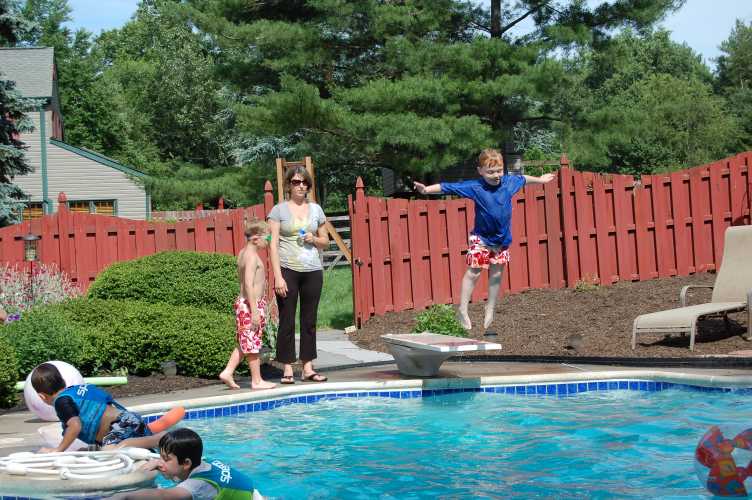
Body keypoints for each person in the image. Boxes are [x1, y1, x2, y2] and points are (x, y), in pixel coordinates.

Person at [413, 148, 556, 331]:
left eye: (499, 171)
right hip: (481, 239)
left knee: (496, 274)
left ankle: (490, 307)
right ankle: (462, 309)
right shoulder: (476, 187)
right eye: (490, 172)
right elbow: (448, 187)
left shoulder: (509, 182)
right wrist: (426, 190)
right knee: (474, 271)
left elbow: (524, 179)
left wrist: (540, 180)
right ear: (480, 171)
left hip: (502, 240)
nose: (496, 175)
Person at [268, 166, 329, 384]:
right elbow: (272, 245)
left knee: (309, 320)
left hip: (312, 271)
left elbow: (325, 241)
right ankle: (287, 367)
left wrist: (314, 239)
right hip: (288, 270)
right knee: (287, 320)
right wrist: (278, 277)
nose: (300, 186)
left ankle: (308, 368)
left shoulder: (316, 210)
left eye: (304, 182)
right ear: (288, 185)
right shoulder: (278, 211)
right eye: (296, 182)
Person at [30, 362, 164, 452]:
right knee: (94, 451)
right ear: (63, 382)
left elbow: (75, 426)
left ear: (42, 396)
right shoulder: (76, 392)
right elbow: (99, 419)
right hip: (128, 422)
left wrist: (58, 450)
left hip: (121, 425)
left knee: (109, 451)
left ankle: (157, 439)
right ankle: (154, 441)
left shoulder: (61, 402)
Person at [108, 428, 263, 499]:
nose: (160, 462)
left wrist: (123, 497)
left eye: (166, 459)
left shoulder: (198, 485)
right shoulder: (205, 462)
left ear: (186, 463)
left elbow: (164, 495)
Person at [219, 219, 277, 391]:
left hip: (247, 304)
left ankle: (228, 371)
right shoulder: (251, 257)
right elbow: (248, 284)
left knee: (246, 341)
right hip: (250, 306)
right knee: (252, 344)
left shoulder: (243, 253)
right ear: (256, 238)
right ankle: (257, 381)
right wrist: (255, 311)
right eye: (267, 238)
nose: (269, 242)